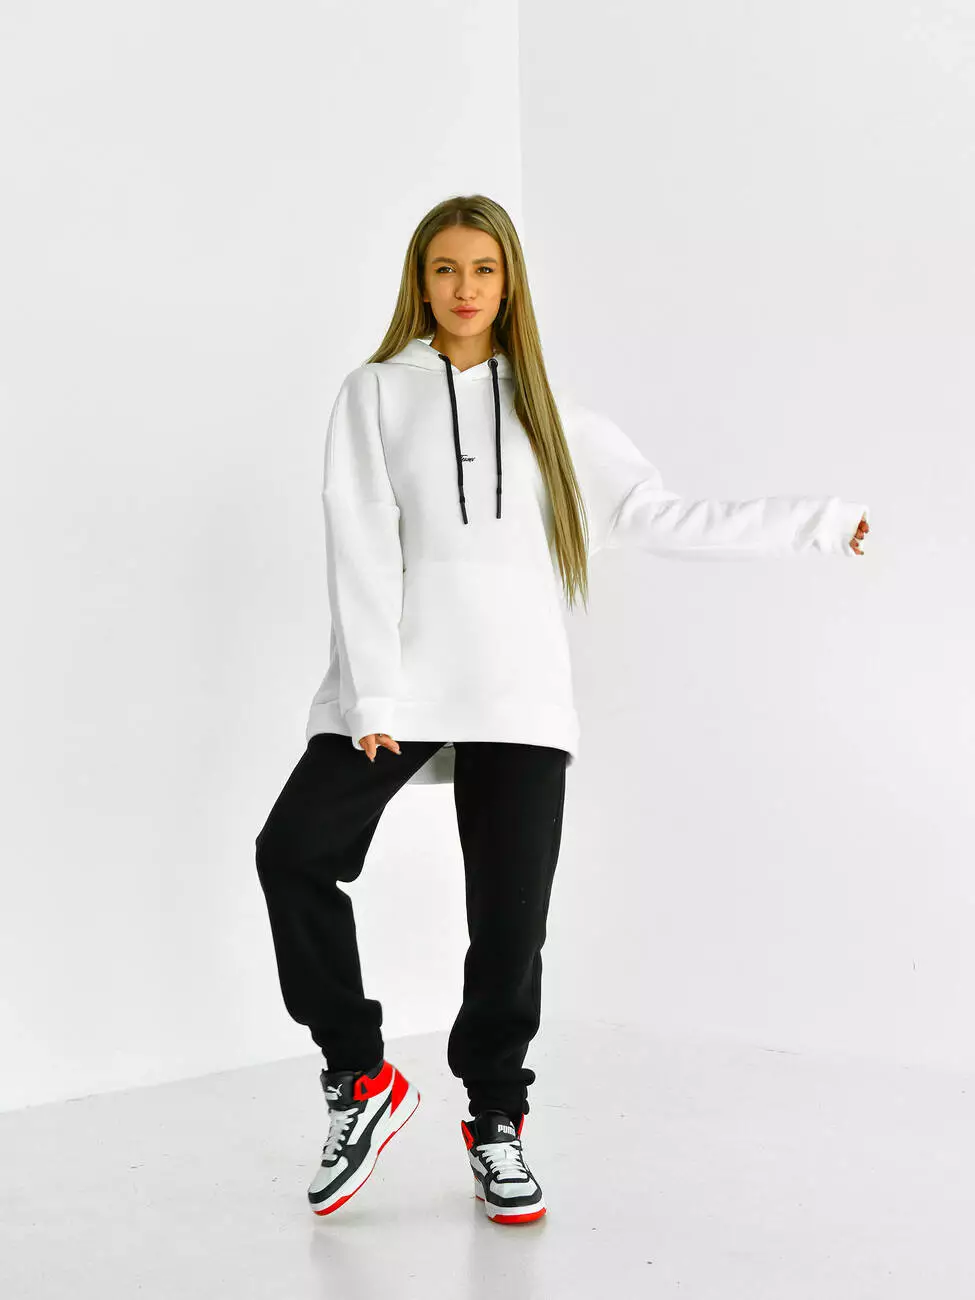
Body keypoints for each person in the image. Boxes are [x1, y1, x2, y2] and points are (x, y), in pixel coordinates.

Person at [254, 193, 871, 1226]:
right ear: (419, 280)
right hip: (396, 687)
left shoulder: (551, 414)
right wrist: (370, 694)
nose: (464, 288)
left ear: (509, 283)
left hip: (519, 696)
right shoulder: (376, 393)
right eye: (445, 268)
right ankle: (359, 1076)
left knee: (510, 927)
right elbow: (356, 538)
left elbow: (664, 515)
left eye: (483, 269)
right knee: (294, 851)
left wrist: (818, 521)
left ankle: (496, 1122)